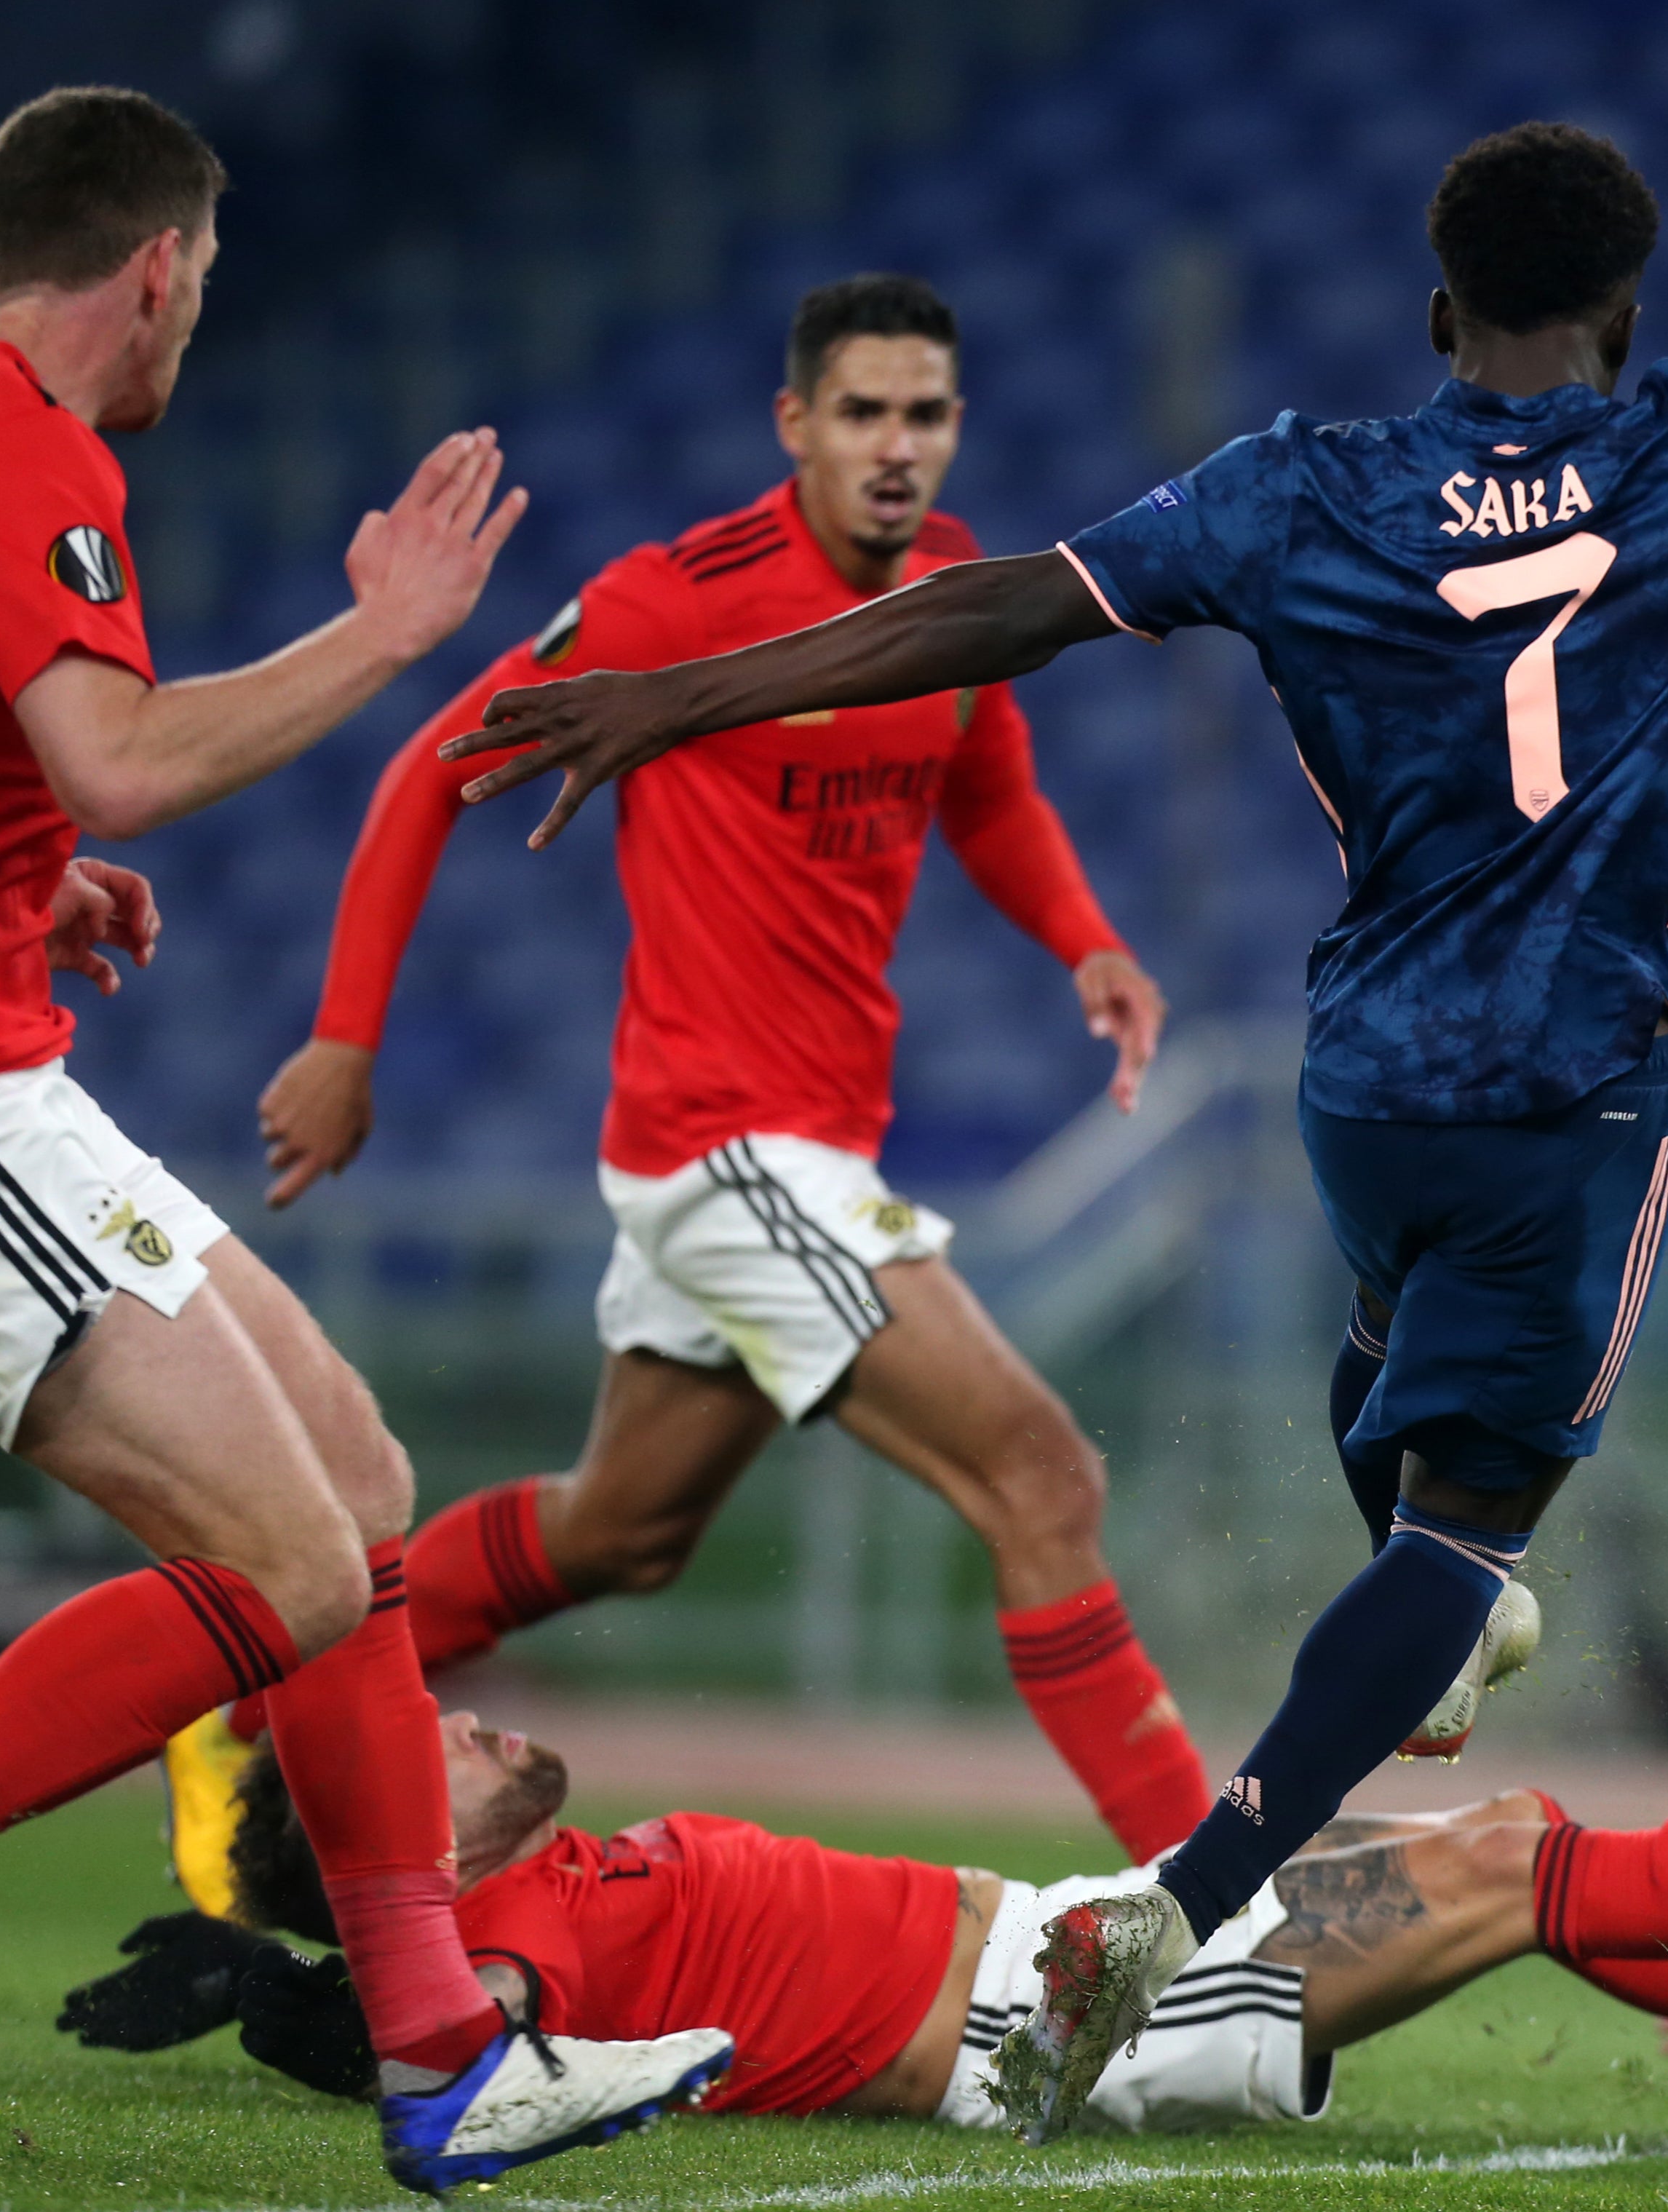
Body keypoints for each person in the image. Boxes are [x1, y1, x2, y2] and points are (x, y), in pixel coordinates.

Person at [434, 38, 1668, 2135]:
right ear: (1629, 310)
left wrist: (682, 693)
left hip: (1364, 1076)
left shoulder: (1298, 483)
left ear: (1438, 318)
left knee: (1405, 1433)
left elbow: (993, 609)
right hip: (1572, 1078)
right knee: (1466, 1535)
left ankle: (1438, 1615)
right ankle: (1182, 1895)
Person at [0, 84, 728, 2194]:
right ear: (153, 267)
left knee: (358, 1485)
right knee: (288, 1566)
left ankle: (439, 2051)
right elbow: (124, 761)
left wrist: (5, 878)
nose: (197, 328)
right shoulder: (6, 451)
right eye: (203, 287)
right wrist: (388, 635)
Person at [226, 273, 1205, 1888]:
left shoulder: (955, 589)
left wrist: (1085, 940)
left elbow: (991, 785)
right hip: (729, 1147)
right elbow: (430, 773)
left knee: (622, 1532)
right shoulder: (676, 602)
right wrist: (345, 1041)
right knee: (1043, 1478)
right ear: (796, 426)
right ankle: (1227, 1921)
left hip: (790, 1144)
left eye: (928, 415)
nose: (899, 448)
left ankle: (260, 1701)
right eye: (865, 413)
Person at [63, 1706, 1668, 2128]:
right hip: (1063, 2027)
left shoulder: (529, 1887)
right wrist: (282, 1997)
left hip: (1076, 1945)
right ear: (374, 1822)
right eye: (438, 1732)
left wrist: (293, 1970)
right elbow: (462, 2045)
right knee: (1517, 1857)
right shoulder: (520, 1935)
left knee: (1495, 1863)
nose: (478, 1714)